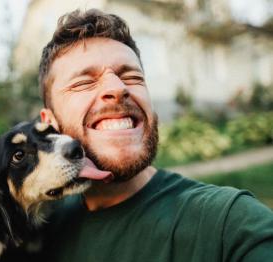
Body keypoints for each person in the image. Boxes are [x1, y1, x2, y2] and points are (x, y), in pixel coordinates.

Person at [38, 9, 273, 262]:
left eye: (132, 77)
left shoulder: (230, 225)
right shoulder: (37, 230)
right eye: (84, 82)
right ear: (49, 124)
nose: (118, 88)